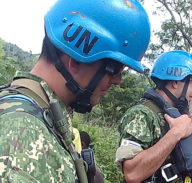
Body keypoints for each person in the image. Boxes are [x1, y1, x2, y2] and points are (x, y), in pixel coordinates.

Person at [0, 0, 150, 182]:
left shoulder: (44, 117)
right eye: (115, 69)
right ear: (76, 59)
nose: (117, 81)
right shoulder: (23, 131)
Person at [116, 50, 192, 183]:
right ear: (175, 81)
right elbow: (132, 173)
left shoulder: (179, 115)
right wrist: (175, 133)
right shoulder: (142, 113)